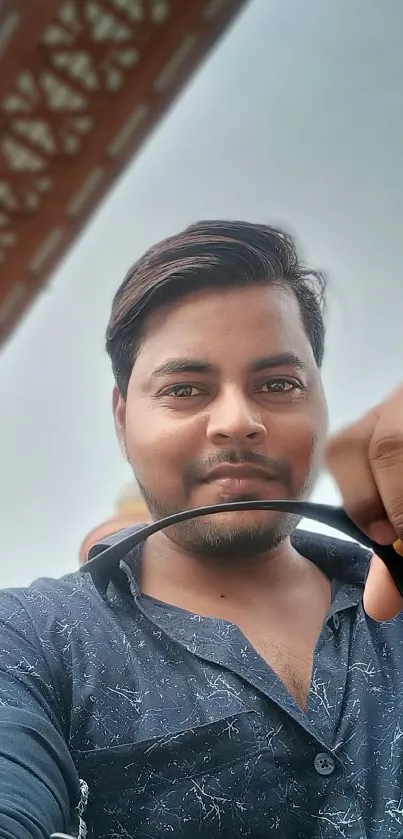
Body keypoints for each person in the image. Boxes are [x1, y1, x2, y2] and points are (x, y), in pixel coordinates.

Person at [1, 220, 402, 839]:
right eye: (185, 389)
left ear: (323, 401)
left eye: (278, 384)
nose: (237, 422)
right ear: (122, 417)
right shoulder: (29, 644)